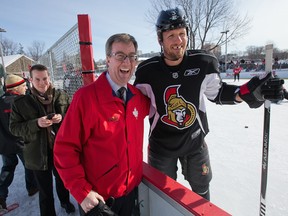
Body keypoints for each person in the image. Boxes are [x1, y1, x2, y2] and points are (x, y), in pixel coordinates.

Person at [134, 8, 284, 201]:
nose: (178, 41)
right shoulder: (147, 71)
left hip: (194, 142)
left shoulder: (204, 62)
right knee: (162, 199)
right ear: (160, 40)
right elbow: (135, 106)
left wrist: (248, 92)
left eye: (182, 34)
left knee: (202, 196)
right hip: (161, 146)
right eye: (171, 35)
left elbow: (219, 93)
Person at [53, 33, 150, 216]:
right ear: (107, 59)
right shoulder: (86, 98)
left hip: (131, 194)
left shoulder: (137, 97)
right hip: (99, 201)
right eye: (120, 55)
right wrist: (82, 193)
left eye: (132, 56)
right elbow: (64, 149)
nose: (127, 62)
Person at [9, 65, 75, 216]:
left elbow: (73, 118)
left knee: (62, 182)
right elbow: (14, 128)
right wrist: (36, 123)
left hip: (60, 151)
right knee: (45, 191)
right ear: (31, 80)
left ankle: (65, 201)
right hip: (37, 154)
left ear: (49, 78)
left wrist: (62, 117)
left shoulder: (61, 95)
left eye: (45, 78)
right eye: (37, 79)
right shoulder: (21, 103)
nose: (42, 83)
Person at [0, 74, 38, 210]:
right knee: (30, 165)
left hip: (4, 144)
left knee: (8, 168)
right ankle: (32, 187)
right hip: (21, 141)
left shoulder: (0, 101)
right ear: (16, 88)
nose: (25, 88)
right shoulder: (21, 102)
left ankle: (1, 197)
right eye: (23, 86)